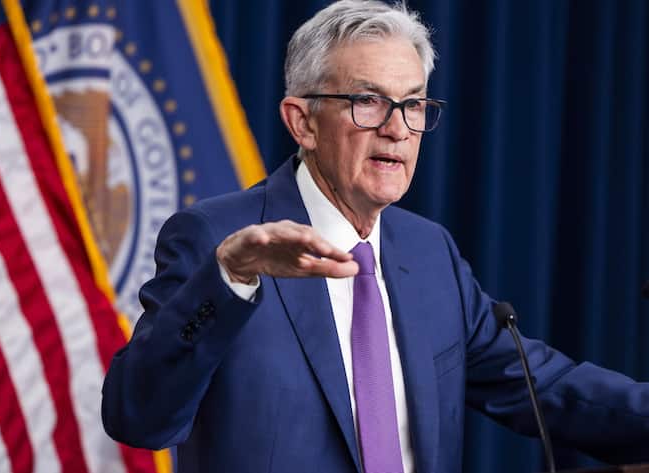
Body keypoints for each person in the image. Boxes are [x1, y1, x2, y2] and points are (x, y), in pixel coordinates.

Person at [101, 1, 649, 472]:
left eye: (413, 104)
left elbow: (543, 387)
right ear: (303, 122)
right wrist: (229, 279)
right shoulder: (221, 241)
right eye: (368, 102)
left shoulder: (428, 252)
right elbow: (138, 416)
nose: (397, 128)